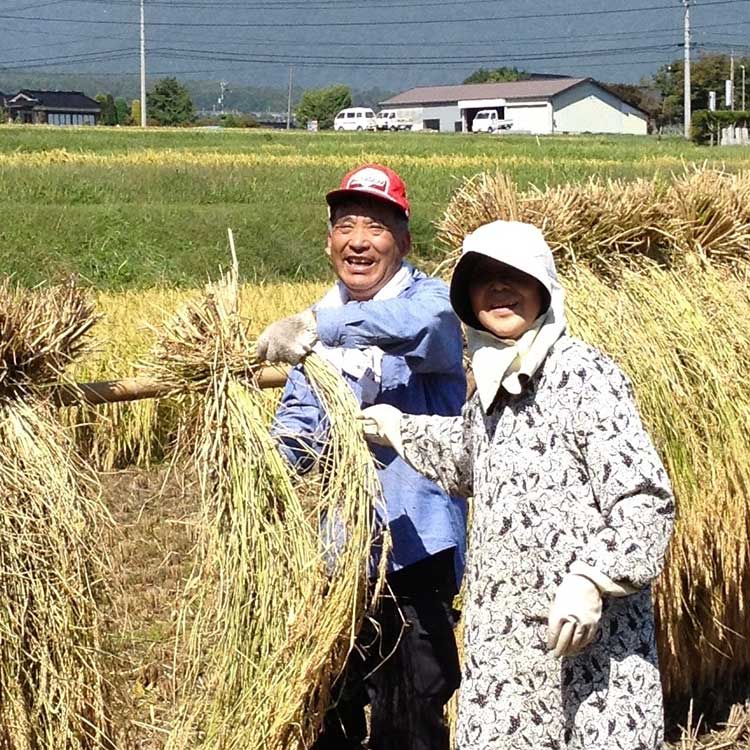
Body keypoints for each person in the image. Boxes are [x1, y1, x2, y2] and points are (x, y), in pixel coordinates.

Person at [361, 220, 675, 750]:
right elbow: (465, 456)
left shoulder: (583, 375)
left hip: (586, 652)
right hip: (508, 653)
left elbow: (645, 500)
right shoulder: (491, 386)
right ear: (466, 300)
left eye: (514, 276)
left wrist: (593, 580)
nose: (498, 290)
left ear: (543, 288)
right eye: (483, 279)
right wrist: (397, 426)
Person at [255, 163, 467, 750]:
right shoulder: (318, 331)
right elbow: (299, 421)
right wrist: (271, 467)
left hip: (415, 548)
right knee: (330, 710)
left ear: (402, 241)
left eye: (375, 227)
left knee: (411, 713)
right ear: (328, 243)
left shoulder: (431, 305)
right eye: (345, 226)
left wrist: (321, 326)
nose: (358, 241)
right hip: (339, 550)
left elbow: (421, 327)